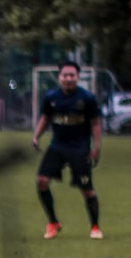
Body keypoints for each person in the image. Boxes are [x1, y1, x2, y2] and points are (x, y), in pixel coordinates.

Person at [31, 61, 103, 240]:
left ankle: (95, 227)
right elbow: (46, 118)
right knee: (41, 180)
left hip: (79, 149)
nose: (68, 79)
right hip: (57, 146)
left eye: (72, 75)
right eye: (65, 75)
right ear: (59, 77)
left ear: (78, 77)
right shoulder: (51, 97)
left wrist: (96, 146)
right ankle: (53, 223)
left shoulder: (87, 98)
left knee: (87, 190)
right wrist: (36, 136)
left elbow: (95, 123)